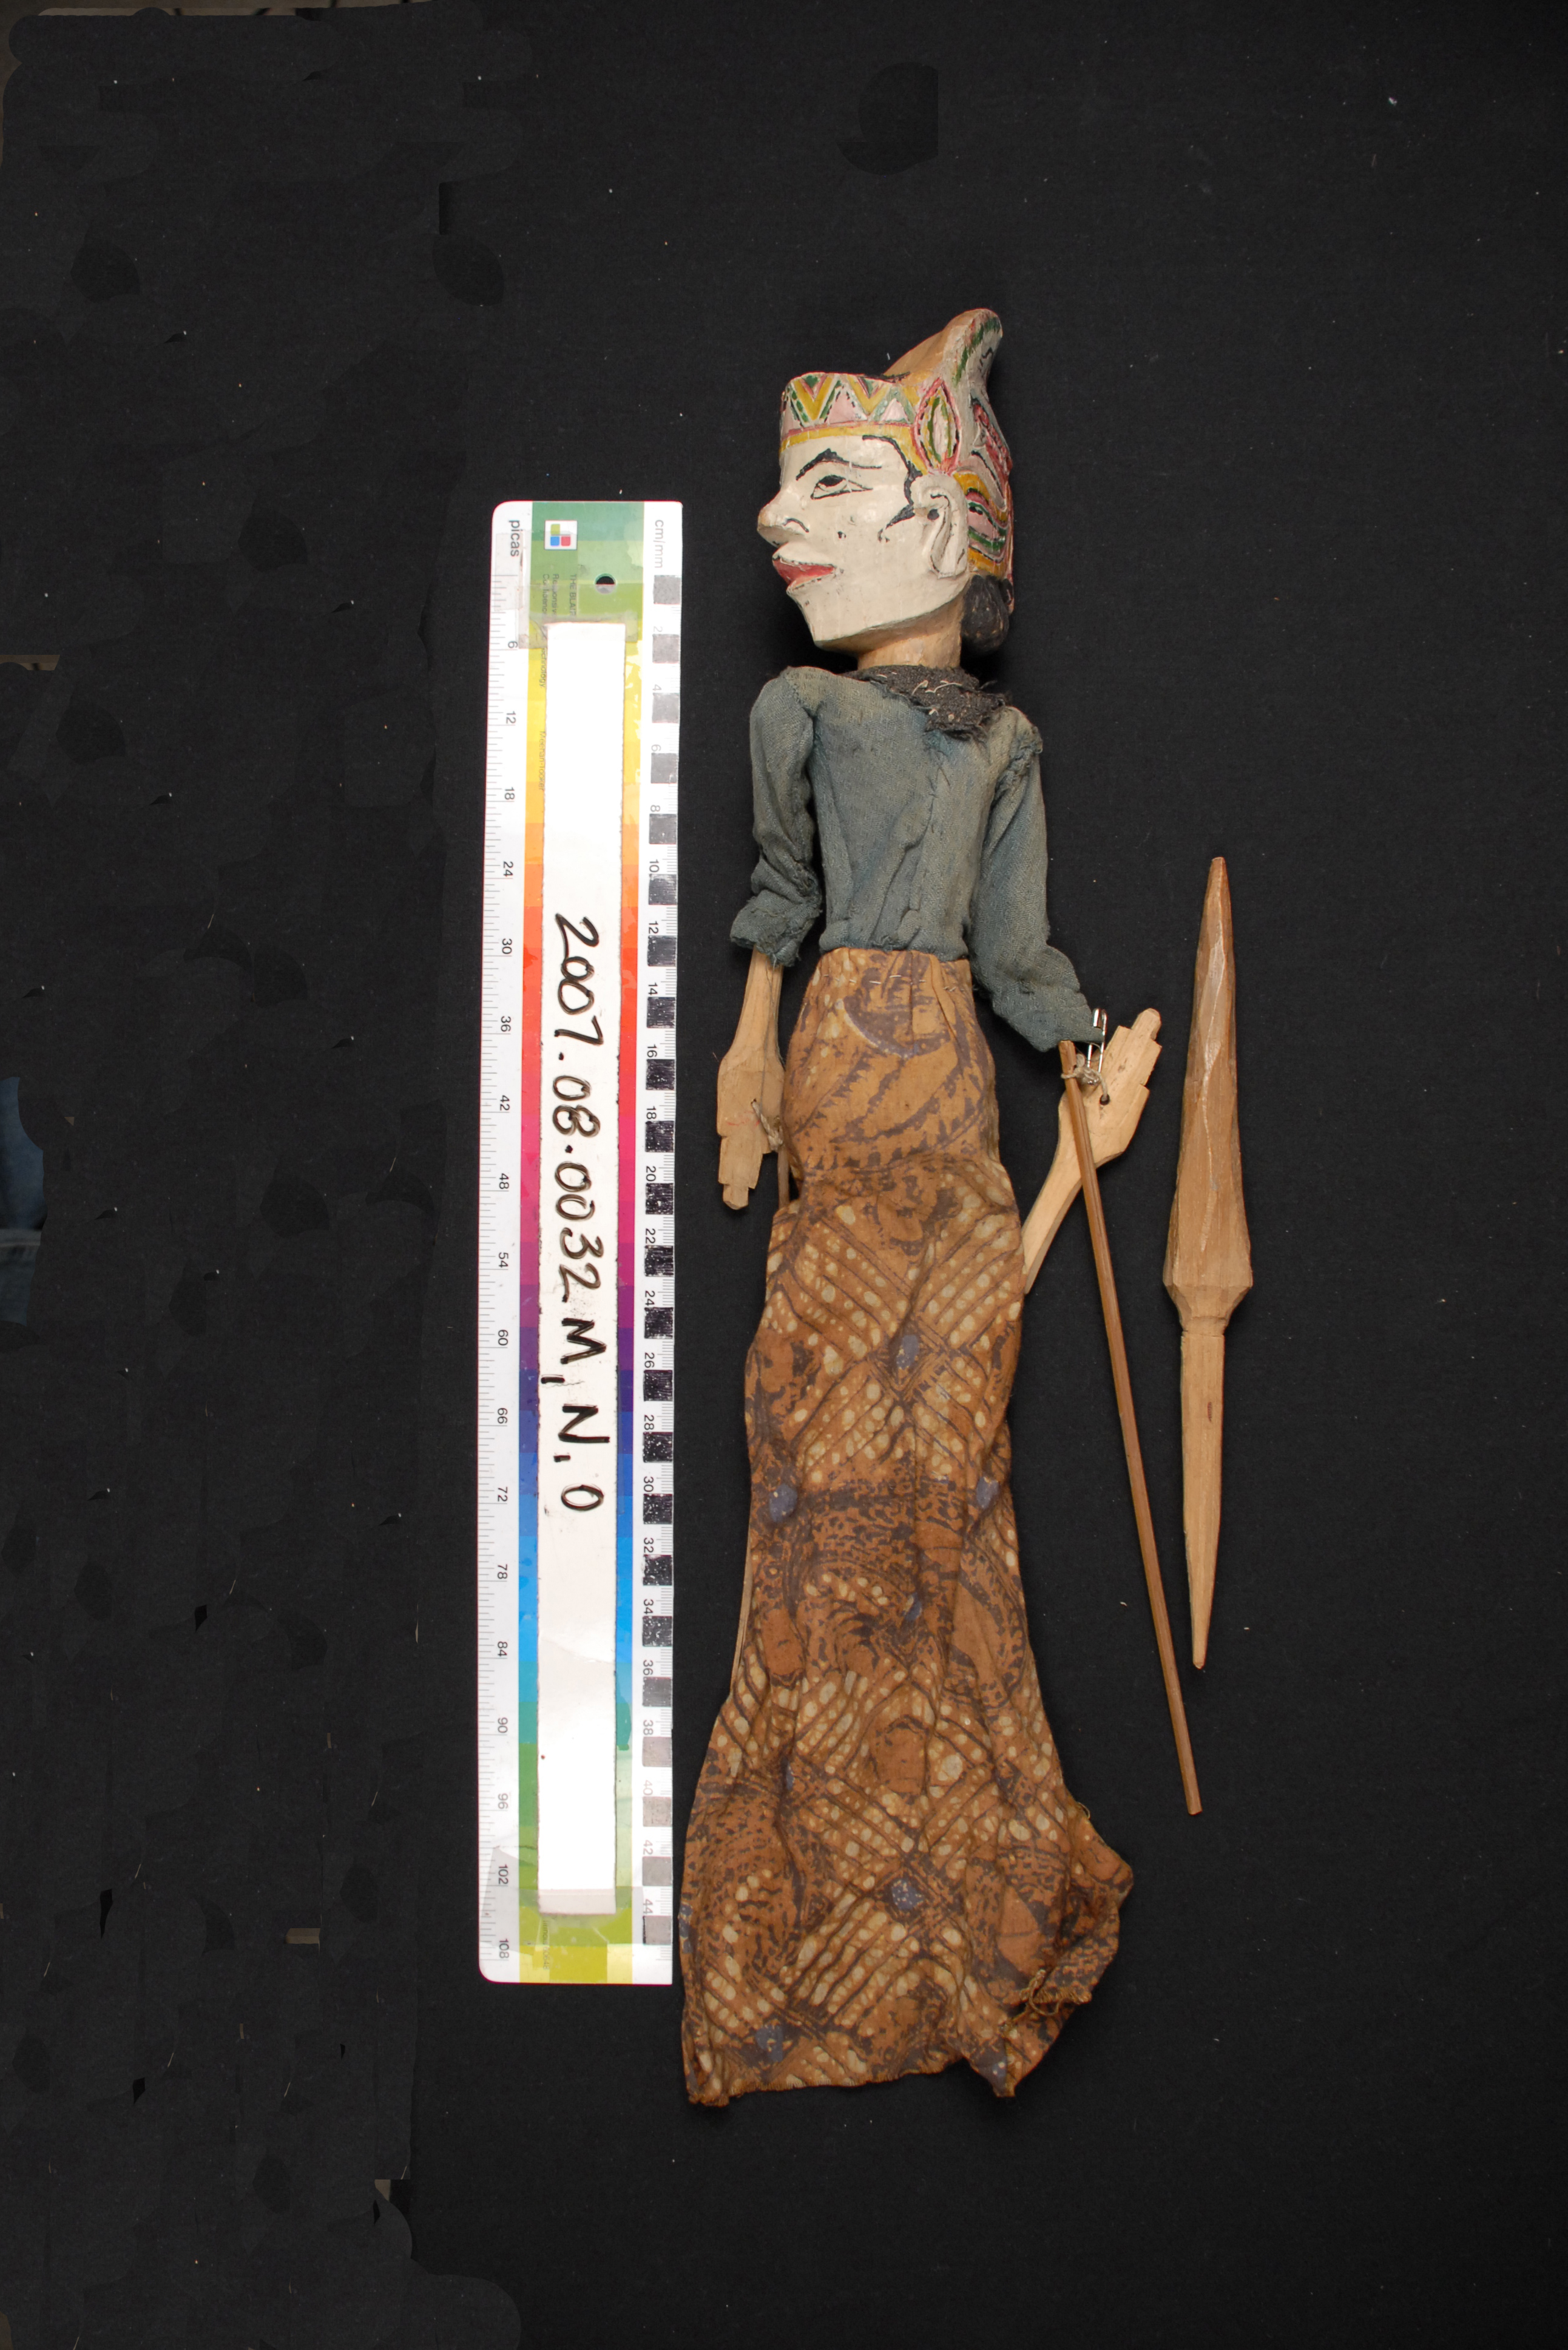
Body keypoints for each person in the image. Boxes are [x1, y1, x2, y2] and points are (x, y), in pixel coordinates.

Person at [679, 312, 1131, 2105]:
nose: (780, 525)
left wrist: (1086, 1069)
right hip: (842, 1076)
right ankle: (800, 1910)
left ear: (945, 528)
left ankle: (960, 1901)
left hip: (951, 1081)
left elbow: (1018, 953)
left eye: (834, 490)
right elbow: (781, 898)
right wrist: (747, 1056)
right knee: (806, 1435)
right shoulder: (800, 710)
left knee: (958, 1441)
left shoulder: (1004, 746)